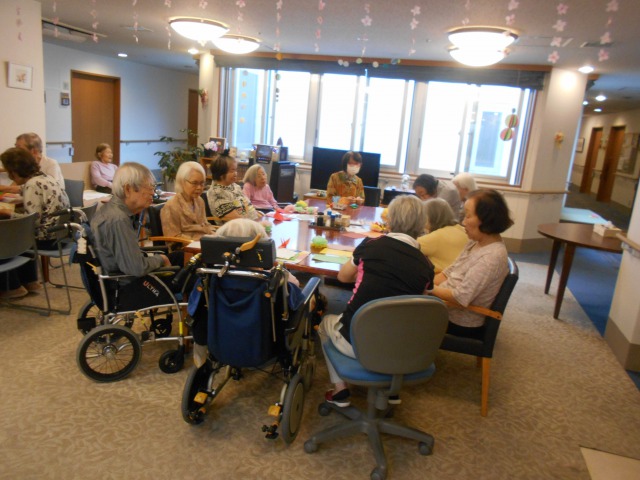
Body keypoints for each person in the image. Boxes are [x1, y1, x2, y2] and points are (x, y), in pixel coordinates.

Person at [319, 195, 434, 407]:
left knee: (325, 323)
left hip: (357, 343)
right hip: (402, 350)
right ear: (422, 225)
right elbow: (418, 308)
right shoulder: (426, 265)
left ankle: (340, 389)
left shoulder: (371, 246)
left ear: (390, 220)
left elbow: (343, 277)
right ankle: (391, 388)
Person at [427, 189, 513, 335]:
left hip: (458, 320)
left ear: (486, 219)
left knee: (400, 312)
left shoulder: (490, 258)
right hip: (443, 304)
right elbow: (449, 272)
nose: (463, 222)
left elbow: (460, 297)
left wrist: (428, 288)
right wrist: (427, 282)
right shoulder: (476, 242)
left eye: (468, 216)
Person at [0, 147, 70, 299]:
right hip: (61, 235)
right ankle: (30, 281)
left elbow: (31, 221)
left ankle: (12, 287)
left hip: (47, 239)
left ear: (14, 172)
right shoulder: (45, 178)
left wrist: (8, 213)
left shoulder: (32, 185)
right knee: (17, 234)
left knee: (6, 237)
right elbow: (27, 191)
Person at [91, 162, 171, 277]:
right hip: (127, 283)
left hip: (122, 274)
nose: (153, 192)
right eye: (150, 187)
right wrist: (162, 259)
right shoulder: (118, 220)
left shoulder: (111, 211)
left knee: (179, 257)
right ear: (128, 189)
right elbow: (136, 268)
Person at [160, 161, 215, 243]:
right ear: (182, 181)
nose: (199, 187)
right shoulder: (171, 206)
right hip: (184, 246)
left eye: (202, 183)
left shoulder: (199, 201)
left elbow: (204, 224)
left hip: (203, 241)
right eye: (194, 183)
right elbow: (172, 237)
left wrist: (214, 234)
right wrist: (198, 241)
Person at [206, 150, 261, 224]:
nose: (236, 173)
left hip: (250, 223)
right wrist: (256, 224)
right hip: (236, 229)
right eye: (232, 171)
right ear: (221, 174)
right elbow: (236, 220)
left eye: (236, 170)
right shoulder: (217, 193)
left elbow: (248, 205)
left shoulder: (235, 186)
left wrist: (260, 217)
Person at [417, 198, 468, 273]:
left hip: (442, 277)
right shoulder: (462, 230)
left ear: (432, 217)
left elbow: (406, 247)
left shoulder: (434, 237)